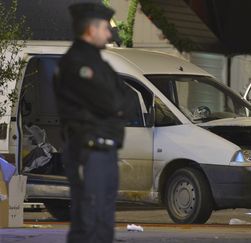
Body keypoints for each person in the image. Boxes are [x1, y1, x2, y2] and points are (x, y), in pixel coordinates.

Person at [53, 3, 135, 243]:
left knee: (103, 222)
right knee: (89, 221)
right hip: (88, 151)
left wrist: (117, 106)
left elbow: (131, 99)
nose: (109, 34)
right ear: (91, 29)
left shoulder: (99, 63)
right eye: (105, 28)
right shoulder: (77, 63)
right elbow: (111, 102)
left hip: (104, 151)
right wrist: (116, 107)